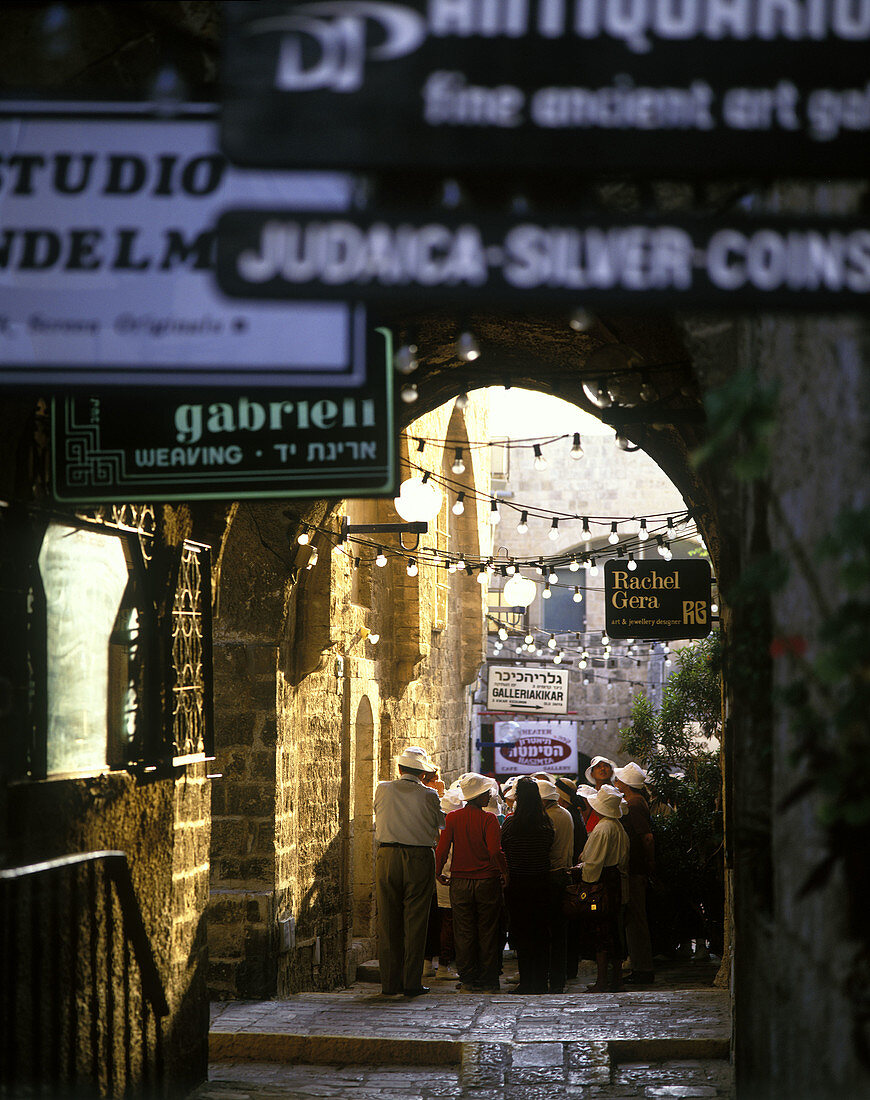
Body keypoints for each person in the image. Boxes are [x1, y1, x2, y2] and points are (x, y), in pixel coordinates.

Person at [373, 746, 444, 998]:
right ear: (423, 774)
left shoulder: (382, 788)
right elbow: (439, 823)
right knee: (416, 921)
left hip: (387, 855)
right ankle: (411, 983)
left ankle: (389, 984)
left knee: (388, 920)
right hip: (419, 857)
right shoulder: (429, 795)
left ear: (400, 769)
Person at [436, 773, 508, 993]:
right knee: (488, 931)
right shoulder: (489, 820)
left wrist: (438, 872)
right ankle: (489, 980)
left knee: (464, 931)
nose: (489, 796)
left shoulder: (453, 818)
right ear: (478, 797)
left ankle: (468, 979)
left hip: (460, 882)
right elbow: (495, 851)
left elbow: (442, 848)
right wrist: (505, 873)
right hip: (486, 881)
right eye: (486, 793)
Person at [500, 776, 555, 993]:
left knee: (522, 933)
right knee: (540, 932)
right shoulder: (546, 823)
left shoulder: (512, 823)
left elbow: (504, 846)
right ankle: (541, 981)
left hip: (519, 884)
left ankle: (526, 981)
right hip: (541, 882)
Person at [573, 784, 630, 994]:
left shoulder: (603, 828)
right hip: (615, 881)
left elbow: (593, 862)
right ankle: (616, 979)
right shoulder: (617, 827)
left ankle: (602, 980)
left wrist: (581, 871)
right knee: (614, 931)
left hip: (602, 883)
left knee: (602, 932)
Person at [613, 762, 656, 986]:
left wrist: (649, 862)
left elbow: (646, 837)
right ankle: (640, 966)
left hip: (636, 868)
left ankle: (643, 968)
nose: (616, 783)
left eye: (618, 780)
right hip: (636, 867)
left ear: (626, 785)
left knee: (636, 919)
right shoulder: (635, 801)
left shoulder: (634, 803)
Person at [537, 777, 574, 993]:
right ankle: (559, 978)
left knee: (548, 931)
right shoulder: (565, 813)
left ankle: (550, 977)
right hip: (564, 874)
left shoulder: (548, 818)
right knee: (560, 932)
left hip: (552, 876)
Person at [556, 776, 588, 981]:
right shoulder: (574, 815)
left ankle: (567, 967)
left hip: (570, 875)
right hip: (574, 873)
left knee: (567, 924)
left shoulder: (568, 816)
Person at [582, 756, 617, 832]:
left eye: (606, 766)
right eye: (598, 767)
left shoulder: (618, 795)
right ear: (592, 774)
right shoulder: (588, 796)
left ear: (611, 772)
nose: (602, 769)